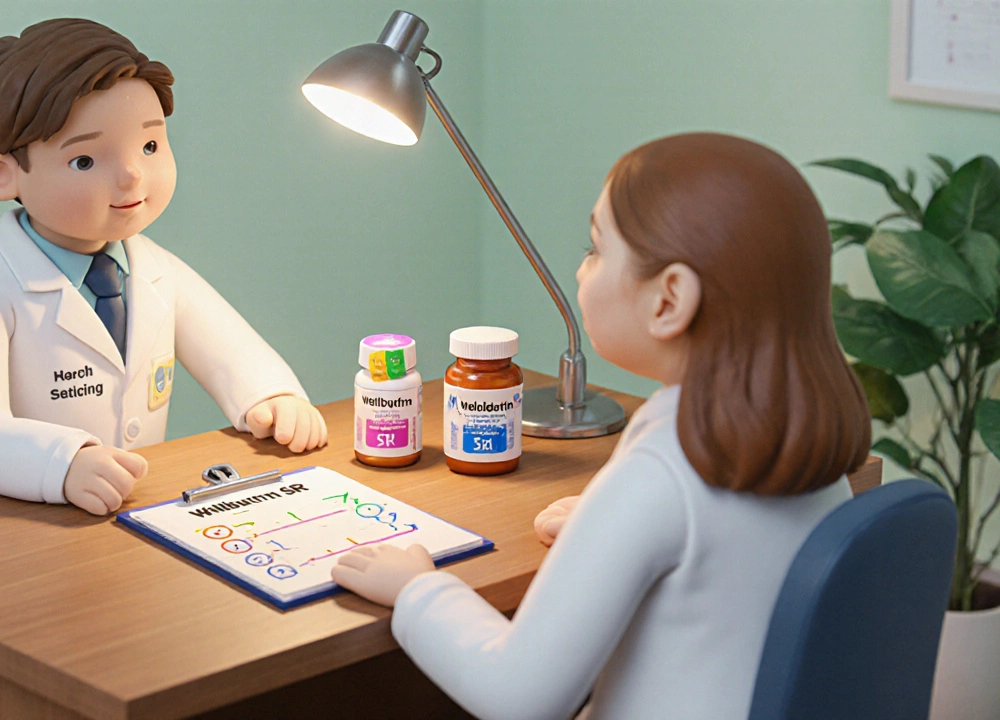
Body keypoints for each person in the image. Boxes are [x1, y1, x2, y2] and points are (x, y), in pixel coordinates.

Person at [331, 132, 871, 720]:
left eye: (595, 249)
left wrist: (416, 587)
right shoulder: (802, 447)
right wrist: (609, 528)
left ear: (669, 300)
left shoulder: (663, 474)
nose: (580, 271)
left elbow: (516, 694)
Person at [0, 19, 327, 516]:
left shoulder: (154, 268)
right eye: (85, 161)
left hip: (124, 514)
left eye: (150, 147)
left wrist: (271, 395)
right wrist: (60, 464)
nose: (133, 174)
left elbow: (227, 346)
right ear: (0, 174)